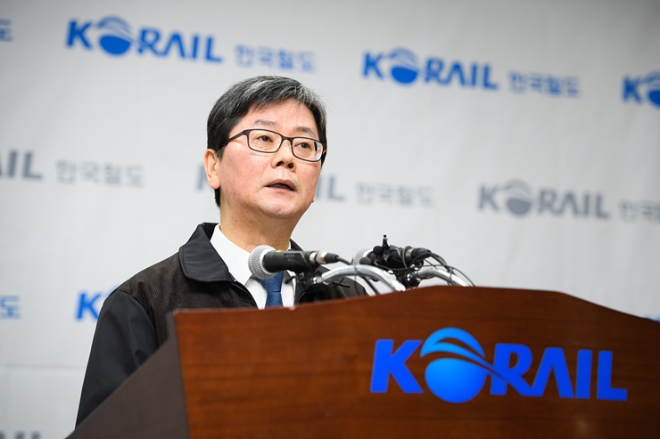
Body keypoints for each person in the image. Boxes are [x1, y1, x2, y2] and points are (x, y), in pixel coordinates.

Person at [75, 76, 367, 426]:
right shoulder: (145, 301)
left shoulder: (350, 300)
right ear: (214, 166)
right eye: (264, 138)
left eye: (304, 145)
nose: (287, 157)